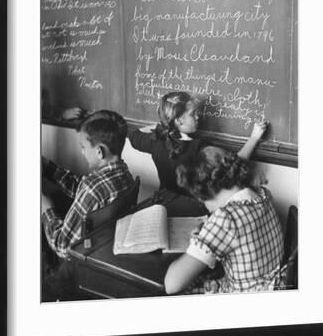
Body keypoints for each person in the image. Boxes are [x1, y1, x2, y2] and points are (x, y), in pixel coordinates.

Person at [164, 146, 284, 295]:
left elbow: (172, 285)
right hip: (269, 289)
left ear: (203, 192)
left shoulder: (226, 218)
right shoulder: (262, 195)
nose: (205, 206)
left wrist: (196, 244)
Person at [41, 111, 134, 300]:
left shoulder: (92, 188)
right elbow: (81, 187)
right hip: (102, 249)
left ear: (99, 151)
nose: (82, 152)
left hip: (77, 267)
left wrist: (46, 209)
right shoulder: (125, 175)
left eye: (83, 147)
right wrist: (48, 167)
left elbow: (61, 246)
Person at [128, 91, 267, 194]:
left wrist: (165, 123)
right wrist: (254, 137)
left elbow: (134, 136)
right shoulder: (197, 148)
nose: (198, 116)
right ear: (179, 120)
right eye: (193, 114)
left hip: (165, 206)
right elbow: (234, 164)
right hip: (192, 209)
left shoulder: (156, 142)